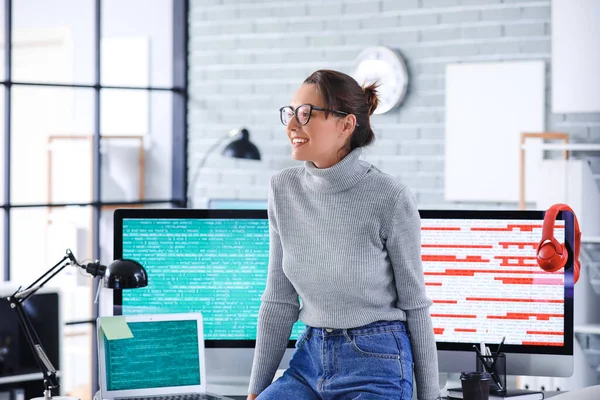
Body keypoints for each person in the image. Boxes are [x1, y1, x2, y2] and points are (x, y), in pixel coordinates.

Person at [247, 69, 440, 400]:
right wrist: (255, 392)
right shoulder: (282, 189)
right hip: (309, 360)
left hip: (378, 362)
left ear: (346, 125)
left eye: (306, 114)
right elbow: (279, 300)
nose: (292, 125)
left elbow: (415, 305)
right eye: (290, 113)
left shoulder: (389, 196)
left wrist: (430, 396)